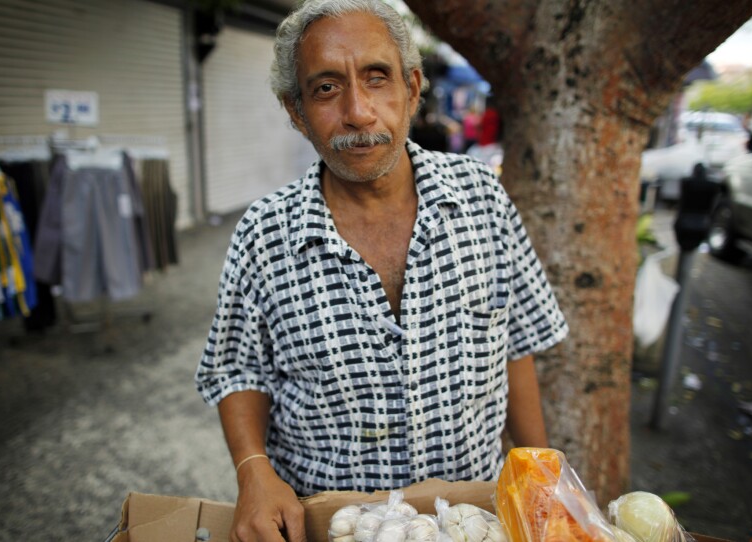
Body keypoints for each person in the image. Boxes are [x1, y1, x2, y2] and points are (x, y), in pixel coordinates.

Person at [194, 1, 568, 541]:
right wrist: (253, 472)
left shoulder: (482, 199)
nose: (359, 112)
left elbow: (518, 343)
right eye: (325, 88)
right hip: (329, 524)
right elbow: (237, 371)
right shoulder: (265, 233)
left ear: (412, 89)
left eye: (377, 79)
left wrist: (541, 478)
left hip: (472, 522)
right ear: (295, 110)